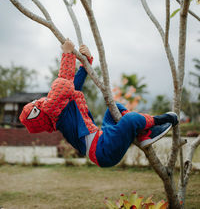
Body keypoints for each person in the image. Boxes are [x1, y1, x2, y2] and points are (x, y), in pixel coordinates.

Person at [20, 39, 178, 167]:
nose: (40, 101)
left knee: (113, 109)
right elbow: (64, 83)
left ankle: (144, 134)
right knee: (129, 120)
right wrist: (67, 54)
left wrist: (85, 62)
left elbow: (73, 85)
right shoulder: (54, 113)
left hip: (102, 137)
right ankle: (163, 119)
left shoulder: (61, 107)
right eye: (36, 106)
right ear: (39, 115)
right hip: (103, 152)